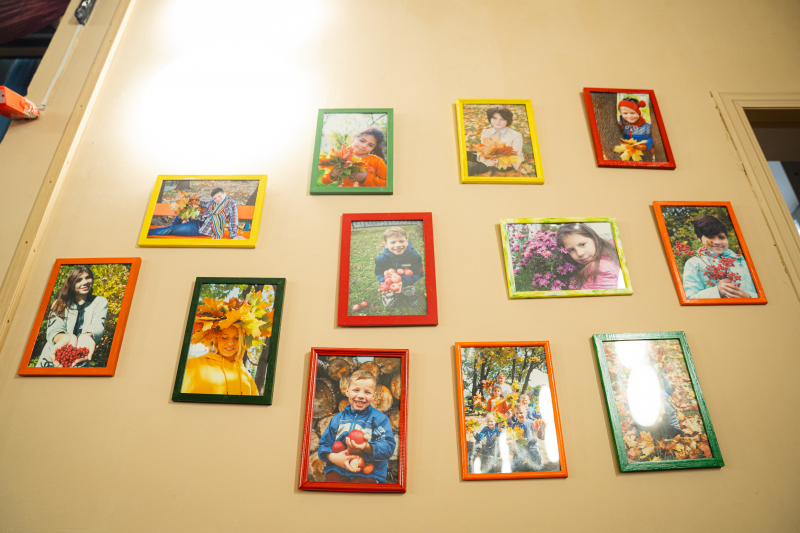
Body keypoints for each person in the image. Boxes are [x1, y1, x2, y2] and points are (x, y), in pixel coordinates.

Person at [181, 288, 273, 395]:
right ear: (216, 339)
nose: (230, 343)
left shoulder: (246, 375)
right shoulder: (191, 366)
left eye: (237, 338)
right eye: (224, 337)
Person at [317, 369, 397, 483]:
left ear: (374, 396)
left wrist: (367, 447)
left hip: (368, 475)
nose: (361, 396)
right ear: (347, 391)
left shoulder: (380, 419)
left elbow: (388, 447)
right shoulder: (337, 419)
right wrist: (333, 458)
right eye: (356, 390)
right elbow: (323, 445)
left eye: (367, 392)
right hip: (337, 471)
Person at [36, 266, 108, 367]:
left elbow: (98, 325)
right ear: (71, 283)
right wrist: (66, 338)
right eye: (79, 280)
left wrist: (86, 336)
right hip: (52, 359)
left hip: (79, 360)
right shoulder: (59, 303)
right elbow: (54, 328)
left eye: (87, 277)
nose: (85, 282)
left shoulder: (100, 302)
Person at [681, 215, 757, 299]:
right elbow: (691, 298)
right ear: (699, 238)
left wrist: (750, 296)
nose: (717, 242)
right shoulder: (694, 263)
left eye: (721, 237)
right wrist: (718, 291)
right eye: (710, 237)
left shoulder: (742, 259)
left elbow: (764, 290)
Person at [148, 187, 242, 239]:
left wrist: (234, 236)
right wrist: (191, 200)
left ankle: (147, 233)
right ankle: (176, 228)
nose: (217, 199)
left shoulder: (231, 204)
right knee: (184, 209)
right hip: (196, 222)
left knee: (170, 230)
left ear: (225, 194)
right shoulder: (212, 203)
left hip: (200, 229)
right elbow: (202, 202)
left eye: (219, 196)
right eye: (215, 198)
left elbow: (234, 219)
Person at [556, 223, 622, 290]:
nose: (579, 253)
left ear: (594, 239)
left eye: (582, 244)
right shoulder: (609, 254)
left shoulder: (599, 268)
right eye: (571, 250)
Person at [374, 226, 424, 308]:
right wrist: (384, 283)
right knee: (388, 305)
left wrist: (403, 281)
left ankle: (410, 294)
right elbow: (379, 273)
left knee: (409, 288)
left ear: (407, 242)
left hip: (407, 280)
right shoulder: (381, 259)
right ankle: (389, 295)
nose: (398, 245)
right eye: (393, 242)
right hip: (389, 283)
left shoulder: (414, 257)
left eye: (401, 241)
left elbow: (419, 273)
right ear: (386, 245)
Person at [468, 106, 524, 176]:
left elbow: (515, 156)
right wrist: (484, 161)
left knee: (471, 169)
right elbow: (482, 150)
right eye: (494, 118)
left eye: (502, 119)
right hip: (489, 158)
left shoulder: (516, 136)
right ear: (490, 119)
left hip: (506, 164)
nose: (498, 122)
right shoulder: (486, 131)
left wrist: (495, 162)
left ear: (508, 120)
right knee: (465, 154)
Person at [508, 404, 543, 472]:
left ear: (526, 413)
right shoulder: (515, 425)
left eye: (521, 413)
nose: (519, 415)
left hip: (532, 444)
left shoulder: (531, 423)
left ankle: (536, 461)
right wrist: (513, 442)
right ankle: (518, 462)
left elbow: (535, 433)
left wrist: (536, 435)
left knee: (535, 456)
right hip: (521, 446)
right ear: (514, 414)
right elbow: (514, 437)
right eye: (517, 413)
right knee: (516, 460)